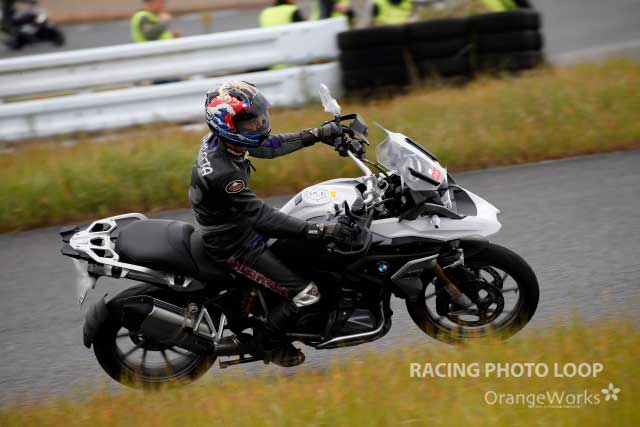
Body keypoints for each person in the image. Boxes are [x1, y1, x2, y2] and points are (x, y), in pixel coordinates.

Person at [190, 81, 345, 366]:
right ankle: (269, 345)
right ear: (227, 125)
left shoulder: (225, 142)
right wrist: (314, 229)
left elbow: (270, 146)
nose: (259, 122)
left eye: (260, 114)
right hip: (235, 244)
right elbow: (261, 217)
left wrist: (317, 134)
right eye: (249, 120)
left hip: (239, 224)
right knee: (307, 293)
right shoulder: (223, 173)